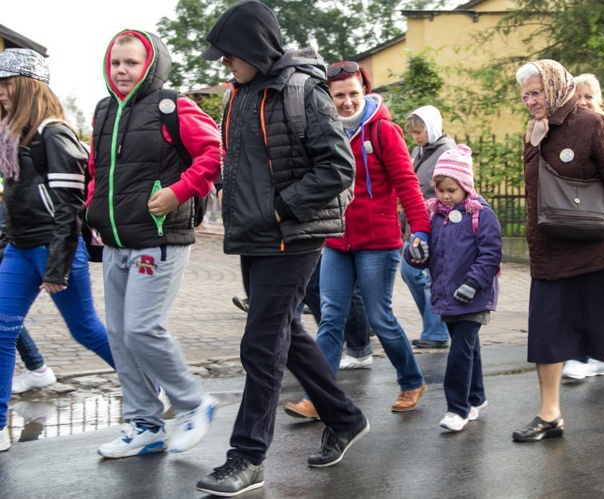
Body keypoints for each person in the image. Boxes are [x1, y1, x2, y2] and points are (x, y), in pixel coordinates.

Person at [197, 1, 369, 494]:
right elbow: (246, 158)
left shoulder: (303, 91)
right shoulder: (241, 93)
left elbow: (338, 169)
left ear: (253, 46)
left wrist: (278, 207)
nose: (224, 63)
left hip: (293, 234)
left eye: (229, 54)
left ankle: (247, 457)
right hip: (257, 233)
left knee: (261, 340)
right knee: (285, 333)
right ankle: (345, 418)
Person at [87, 30, 220, 458]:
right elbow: (97, 170)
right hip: (115, 241)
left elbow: (214, 154)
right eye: (115, 63)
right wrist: (94, 209)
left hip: (158, 239)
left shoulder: (173, 105)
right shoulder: (104, 110)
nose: (122, 71)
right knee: (120, 335)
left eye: (131, 62)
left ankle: (194, 403)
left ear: (151, 65)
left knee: (142, 328)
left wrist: (179, 191)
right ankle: (144, 424)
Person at [512, 59, 604, 442]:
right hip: (549, 253)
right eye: (525, 95)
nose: (530, 101)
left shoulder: (592, 124)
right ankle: (549, 414)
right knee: (547, 333)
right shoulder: (534, 133)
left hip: (597, 249)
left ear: (558, 87)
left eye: (536, 92)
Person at [285, 59, 430, 419]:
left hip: (378, 242)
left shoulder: (384, 131)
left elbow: (407, 184)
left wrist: (421, 229)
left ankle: (412, 381)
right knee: (331, 317)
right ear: (328, 98)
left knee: (380, 318)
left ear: (364, 91)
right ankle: (318, 396)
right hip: (337, 239)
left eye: (353, 93)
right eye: (339, 96)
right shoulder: (324, 131)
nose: (346, 102)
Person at [0, 48, 115, 452]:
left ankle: (150, 384)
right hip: (20, 248)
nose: (0, 93)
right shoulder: (11, 135)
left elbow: (70, 211)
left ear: (28, 87)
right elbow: (15, 200)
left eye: (5, 84)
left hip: (54, 249)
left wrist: (56, 268)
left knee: (85, 330)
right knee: (1, 328)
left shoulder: (54, 133)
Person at [403, 144, 502, 431]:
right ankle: (477, 397)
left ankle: (457, 409)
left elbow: (491, 254)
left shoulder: (481, 214)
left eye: (451, 190)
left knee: (459, 351)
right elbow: (428, 256)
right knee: (469, 348)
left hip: (475, 296)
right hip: (448, 295)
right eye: (440, 189)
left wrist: (473, 284)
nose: (445, 196)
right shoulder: (435, 215)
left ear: (466, 187)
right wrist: (415, 254)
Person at [558, 74, 604, 380]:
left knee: (598, 296)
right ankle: (585, 355)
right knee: (578, 295)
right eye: (576, 97)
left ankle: (597, 356)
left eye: (589, 97)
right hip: (572, 226)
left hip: (600, 226)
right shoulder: (562, 132)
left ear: (599, 101)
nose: (582, 103)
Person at [401, 105, 454, 349]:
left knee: (427, 277)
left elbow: (453, 191)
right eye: (413, 133)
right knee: (410, 272)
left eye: (420, 132)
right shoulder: (418, 151)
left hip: (437, 224)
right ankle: (435, 327)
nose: (416, 137)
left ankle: (437, 331)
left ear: (432, 128)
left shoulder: (447, 151)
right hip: (415, 224)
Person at [0, 179, 57, 393]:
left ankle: (37, 367)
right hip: (15, 236)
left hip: (22, 240)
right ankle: (36, 367)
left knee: (84, 326)